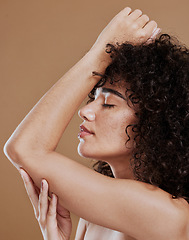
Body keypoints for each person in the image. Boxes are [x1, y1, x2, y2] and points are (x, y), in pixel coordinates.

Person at [4, 6, 189, 240]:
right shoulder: (94, 217)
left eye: (109, 103)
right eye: (95, 98)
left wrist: (101, 51)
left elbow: (25, 149)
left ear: (154, 124)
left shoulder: (165, 213)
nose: (84, 111)